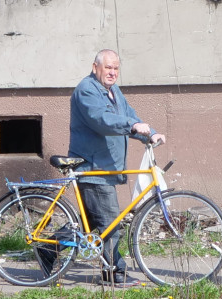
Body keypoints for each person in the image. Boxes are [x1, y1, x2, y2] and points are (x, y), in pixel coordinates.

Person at [68, 49, 165, 287]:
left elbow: (129, 116)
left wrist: (149, 134)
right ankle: (113, 273)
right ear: (95, 67)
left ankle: (46, 250)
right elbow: (102, 120)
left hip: (105, 166)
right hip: (93, 167)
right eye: (108, 67)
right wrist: (133, 125)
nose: (112, 72)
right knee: (110, 220)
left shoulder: (114, 91)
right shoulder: (87, 90)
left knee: (90, 223)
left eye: (116, 68)